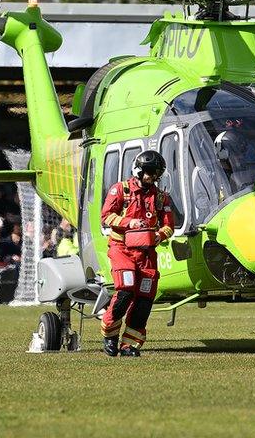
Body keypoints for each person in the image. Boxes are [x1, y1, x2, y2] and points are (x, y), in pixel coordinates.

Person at [100, 150, 174, 357]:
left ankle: (129, 345)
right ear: (139, 170)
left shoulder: (161, 197)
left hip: (147, 254)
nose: (153, 177)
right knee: (125, 290)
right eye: (150, 172)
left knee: (144, 300)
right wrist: (128, 223)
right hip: (122, 249)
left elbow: (169, 225)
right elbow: (106, 217)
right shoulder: (120, 190)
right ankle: (110, 334)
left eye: (157, 173)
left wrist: (160, 235)